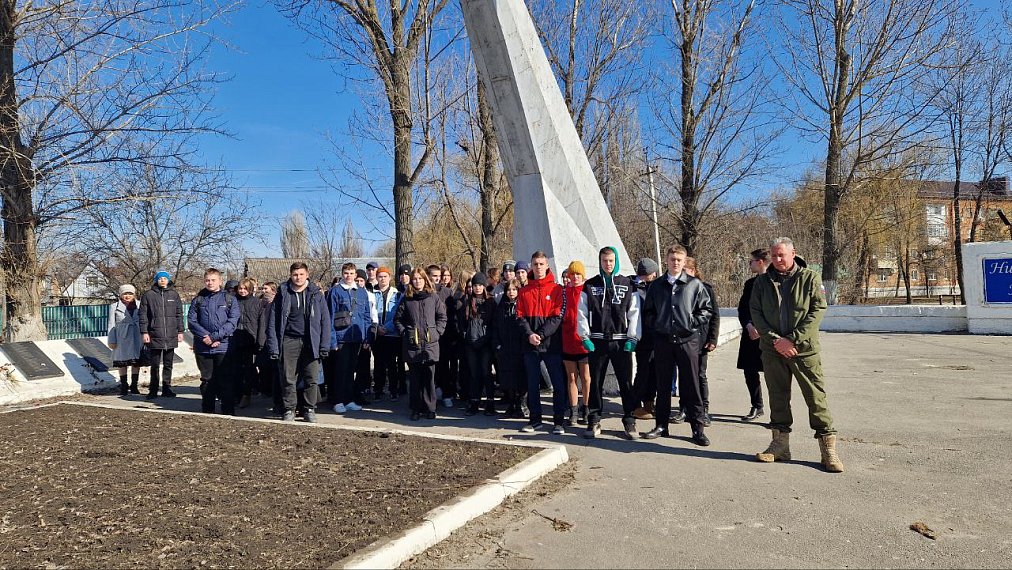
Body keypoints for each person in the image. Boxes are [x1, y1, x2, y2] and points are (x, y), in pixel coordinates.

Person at [749, 237, 842, 472]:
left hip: (804, 350)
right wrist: (775, 340)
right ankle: (780, 446)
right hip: (773, 350)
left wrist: (793, 339)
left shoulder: (809, 277)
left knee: (815, 397)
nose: (778, 259)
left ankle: (827, 449)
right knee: (778, 396)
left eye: (782, 255)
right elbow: (756, 313)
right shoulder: (761, 282)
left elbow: (817, 309)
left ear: (793, 254)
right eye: (774, 255)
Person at [641, 245, 713, 446]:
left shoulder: (694, 285)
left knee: (692, 385)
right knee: (663, 386)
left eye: (679, 260)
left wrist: (690, 323)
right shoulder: (656, 286)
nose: (675, 263)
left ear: (684, 261)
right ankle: (661, 425)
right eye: (672, 259)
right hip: (663, 341)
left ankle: (697, 428)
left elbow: (706, 310)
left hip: (687, 341)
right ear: (666, 260)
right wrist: (657, 325)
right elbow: (648, 312)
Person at [578, 247, 642, 440]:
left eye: (611, 261)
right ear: (600, 262)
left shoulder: (627, 284)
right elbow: (581, 313)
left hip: (621, 342)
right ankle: (594, 419)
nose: (608, 264)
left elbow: (634, 313)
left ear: (616, 262)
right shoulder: (589, 286)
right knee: (595, 383)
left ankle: (630, 420)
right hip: (597, 342)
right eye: (605, 261)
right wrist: (584, 337)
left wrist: (633, 337)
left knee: (625, 383)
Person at [266, 262, 331, 423]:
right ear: (290, 275)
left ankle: (309, 409)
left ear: (307, 274)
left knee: (311, 377)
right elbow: (273, 321)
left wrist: (324, 344)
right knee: (288, 378)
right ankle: (289, 409)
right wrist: (274, 346)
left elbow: (325, 321)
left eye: (301, 274)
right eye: (295, 274)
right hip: (289, 340)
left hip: (311, 340)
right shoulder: (283, 293)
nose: (298, 277)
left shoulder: (316, 294)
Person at [516, 251, 567, 434]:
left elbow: (556, 317)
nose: (538, 267)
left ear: (547, 266)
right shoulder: (523, 291)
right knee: (532, 384)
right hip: (530, 345)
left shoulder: (557, 289)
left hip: (551, 344)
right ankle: (535, 420)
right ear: (531, 266)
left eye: (541, 264)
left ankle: (558, 422)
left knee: (557, 384)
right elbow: (519, 317)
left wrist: (541, 334)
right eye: (535, 264)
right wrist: (530, 335)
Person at [395, 268, 448, 420]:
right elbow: (398, 320)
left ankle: (430, 408)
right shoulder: (407, 299)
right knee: (415, 380)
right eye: (415, 279)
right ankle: (416, 409)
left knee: (429, 378)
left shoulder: (433, 297)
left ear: (425, 280)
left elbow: (442, 316)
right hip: (413, 345)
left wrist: (437, 332)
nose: (417, 281)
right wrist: (405, 333)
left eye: (420, 278)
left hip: (430, 345)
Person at [188, 268, 241, 415]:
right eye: (207, 280)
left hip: (224, 347)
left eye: (213, 280)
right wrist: (206, 337)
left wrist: (215, 337)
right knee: (207, 380)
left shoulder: (229, 299)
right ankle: (208, 410)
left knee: (226, 380)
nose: (210, 283)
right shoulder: (198, 299)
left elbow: (232, 322)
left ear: (220, 281)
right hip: (202, 347)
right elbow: (191, 321)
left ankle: (228, 411)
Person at [327, 262, 378, 413]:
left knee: (351, 371)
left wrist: (367, 338)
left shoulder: (362, 292)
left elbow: (367, 316)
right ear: (342, 274)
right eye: (346, 273)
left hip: (357, 337)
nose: (348, 276)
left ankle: (349, 400)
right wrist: (332, 340)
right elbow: (329, 316)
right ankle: (338, 401)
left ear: (356, 275)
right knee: (340, 370)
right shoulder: (335, 291)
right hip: (341, 337)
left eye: (351, 273)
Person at [139, 270, 185, 399]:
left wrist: (180, 331)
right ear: (156, 280)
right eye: (160, 278)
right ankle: (153, 390)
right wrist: (144, 332)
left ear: (168, 280)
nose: (162, 280)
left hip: (171, 334)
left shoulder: (174, 295)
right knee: (154, 365)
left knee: (168, 364)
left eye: (165, 278)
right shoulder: (148, 295)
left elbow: (179, 314)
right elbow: (143, 315)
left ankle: (166, 388)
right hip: (154, 334)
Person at [684, 257, 718, 427]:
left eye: (686, 271)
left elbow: (714, 315)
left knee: (700, 375)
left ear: (694, 271)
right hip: (683, 339)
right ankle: (684, 408)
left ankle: (703, 410)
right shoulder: (677, 288)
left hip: (701, 338)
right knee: (684, 375)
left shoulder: (706, 289)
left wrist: (712, 338)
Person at [737, 249, 768, 421]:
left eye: (752, 261)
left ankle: (780, 414)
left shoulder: (776, 281)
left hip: (770, 336)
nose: (750, 264)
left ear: (761, 261)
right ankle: (757, 405)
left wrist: (763, 329)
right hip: (750, 334)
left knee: (773, 373)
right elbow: (743, 308)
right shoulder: (750, 284)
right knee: (750, 371)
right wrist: (748, 325)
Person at [461, 272, 496, 416]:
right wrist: (466, 335)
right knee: (474, 374)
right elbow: (462, 322)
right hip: (471, 343)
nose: (477, 288)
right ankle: (474, 401)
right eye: (475, 285)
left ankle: (490, 403)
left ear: (484, 286)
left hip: (485, 343)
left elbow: (494, 323)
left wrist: (488, 339)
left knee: (486, 373)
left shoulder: (490, 302)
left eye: (480, 285)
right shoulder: (467, 302)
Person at [560, 261, 590, 425]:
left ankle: (586, 408)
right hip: (568, 340)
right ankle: (573, 410)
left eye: (578, 274)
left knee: (586, 378)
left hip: (584, 342)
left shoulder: (587, 291)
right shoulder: (564, 293)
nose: (575, 277)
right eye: (572, 274)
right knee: (572, 378)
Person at [492, 278, 526, 419]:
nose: (511, 292)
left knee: (521, 378)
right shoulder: (501, 306)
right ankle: (511, 404)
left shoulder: (522, 305)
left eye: (514, 289)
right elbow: (495, 327)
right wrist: (498, 345)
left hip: (519, 348)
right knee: (507, 378)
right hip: (505, 348)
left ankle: (521, 405)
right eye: (509, 290)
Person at [631, 258, 659, 420]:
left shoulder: (656, 286)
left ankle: (649, 402)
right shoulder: (635, 288)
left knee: (654, 372)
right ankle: (635, 404)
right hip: (642, 337)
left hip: (657, 337)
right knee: (643, 372)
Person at [372, 267, 405, 400]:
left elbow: (399, 314)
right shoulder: (371, 294)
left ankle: (393, 389)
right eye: (380, 276)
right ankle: (378, 389)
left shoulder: (397, 295)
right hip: (377, 334)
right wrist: (377, 328)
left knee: (392, 364)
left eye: (385, 276)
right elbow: (370, 312)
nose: (383, 279)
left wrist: (386, 327)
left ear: (390, 278)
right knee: (378, 363)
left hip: (392, 334)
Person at [430, 264, 459, 408]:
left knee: (444, 366)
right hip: (429, 336)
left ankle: (447, 393)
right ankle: (433, 392)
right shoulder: (425, 291)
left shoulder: (447, 292)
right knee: (431, 366)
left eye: (438, 276)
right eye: (433, 276)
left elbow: (451, 315)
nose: (436, 279)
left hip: (445, 335)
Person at [108, 284, 144, 396]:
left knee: (136, 362)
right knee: (122, 362)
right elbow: (111, 324)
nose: (127, 296)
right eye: (125, 293)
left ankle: (134, 385)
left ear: (134, 294)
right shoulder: (114, 306)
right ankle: (124, 385)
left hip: (137, 335)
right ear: (120, 295)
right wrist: (112, 340)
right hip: (121, 337)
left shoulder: (140, 305)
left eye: (130, 293)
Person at [234, 277, 263, 409]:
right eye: (240, 288)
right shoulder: (233, 301)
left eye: (245, 288)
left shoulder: (257, 302)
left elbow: (262, 323)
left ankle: (247, 394)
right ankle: (237, 394)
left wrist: (260, 341)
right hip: (234, 338)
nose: (242, 291)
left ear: (250, 289)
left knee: (248, 369)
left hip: (251, 339)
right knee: (236, 369)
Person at [256, 281, 281, 413]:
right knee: (263, 366)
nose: (264, 291)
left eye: (266, 289)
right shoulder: (261, 303)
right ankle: (265, 390)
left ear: (273, 290)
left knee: (275, 369)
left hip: (273, 339)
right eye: (263, 288)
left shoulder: (276, 303)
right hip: (263, 338)